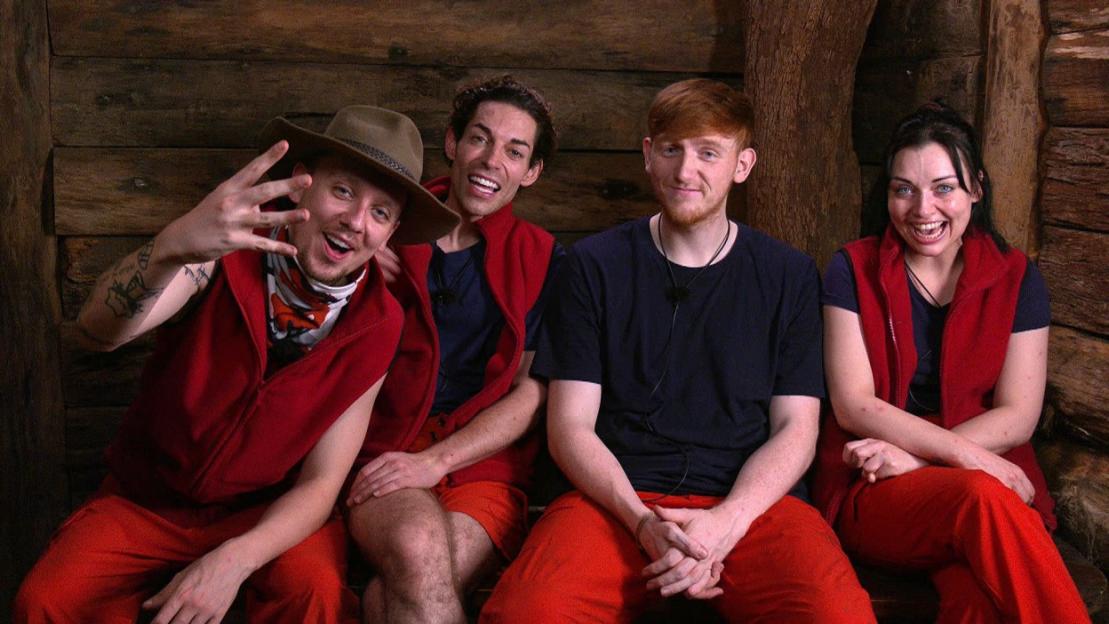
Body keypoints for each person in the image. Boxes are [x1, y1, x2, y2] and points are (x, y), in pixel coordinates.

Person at [14, 106, 458, 624]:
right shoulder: (218, 253)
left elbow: (321, 483)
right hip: (146, 500)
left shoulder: (379, 323)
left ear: (391, 232)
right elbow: (96, 332)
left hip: (263, 513)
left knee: (315, 595)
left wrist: (233, 560)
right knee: (43, 602)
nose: (356, 222)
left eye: (380, 213)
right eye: (343, 192)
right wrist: (171, 247)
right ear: (300, 186)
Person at [481, 78, 875, 622]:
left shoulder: (788, 275)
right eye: (671, 150)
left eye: (708, 152)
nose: (685, 171)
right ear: (649, 155)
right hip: (614, 500)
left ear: (742, 164)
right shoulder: (592, 266)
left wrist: (728, 521)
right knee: (528, 611)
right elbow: (569, 426)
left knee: (836, 614)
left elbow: (796, 428)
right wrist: (642, 522)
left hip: (752, 503)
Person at [812, 102, 1090, 623]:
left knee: (978, 599)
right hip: (877, 487)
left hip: (954, 477)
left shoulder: (1016, 277)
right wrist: (971, 460)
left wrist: (924, 459)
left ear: (976, 189)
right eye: (904, 190)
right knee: (982, 497)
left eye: (944, 187)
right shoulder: (851, 268)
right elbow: (853, 405)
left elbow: (1018, 415)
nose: (922, 209)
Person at [344, 76, 562, 624]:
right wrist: (356, 267)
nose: (491, 161)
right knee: (416, 550)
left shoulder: (543, 258)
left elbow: (532, 393)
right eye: (479, 139)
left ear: (531, 172)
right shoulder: (380, 226)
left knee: (385, 599)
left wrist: (438, 461)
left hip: (484, 463)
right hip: (381, 449)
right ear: (452, 143)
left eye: (515, 151)